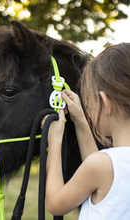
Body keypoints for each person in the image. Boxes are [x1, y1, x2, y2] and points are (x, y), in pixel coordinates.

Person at [42, 43, 130, 220]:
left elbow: (55, 204)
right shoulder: (108, 166)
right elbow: (103, 171)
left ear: (106, 103)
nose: (88, 109)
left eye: (88, 101)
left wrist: (54, 141)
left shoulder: (102, 166)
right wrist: (80, 120)